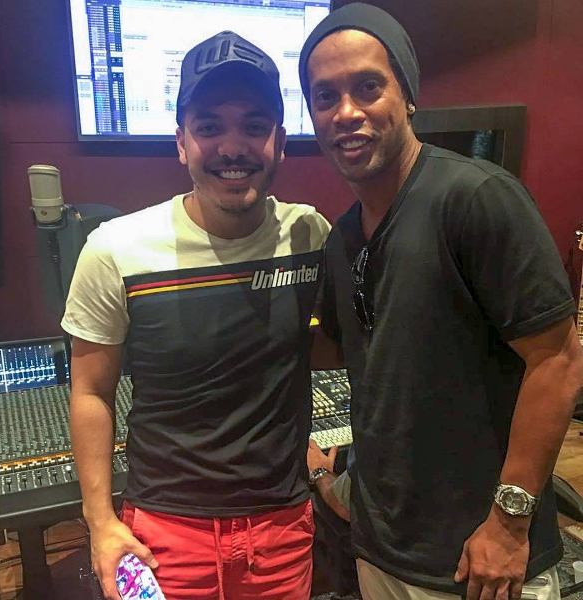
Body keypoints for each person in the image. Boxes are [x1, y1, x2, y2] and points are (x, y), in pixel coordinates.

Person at [299, 5, 583, 600]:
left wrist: (509, 525)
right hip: (381, 551)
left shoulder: (477, 198)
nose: (345, 111)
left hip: (479, 560)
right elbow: (347, 355)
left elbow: (558, 360)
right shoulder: (342, 236)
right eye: (325, 96)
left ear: (407, 96)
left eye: (367, 87)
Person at [63, 31, 330, 600]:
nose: (233, 147)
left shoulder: (310, 235)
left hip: (280, 531)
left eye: (254, 126)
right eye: (209, 127)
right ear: (181, 143)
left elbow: (328, 345)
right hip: (160, 537)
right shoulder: (115, 250)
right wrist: (100, 522)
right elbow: (90, 392)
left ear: (280, 142)